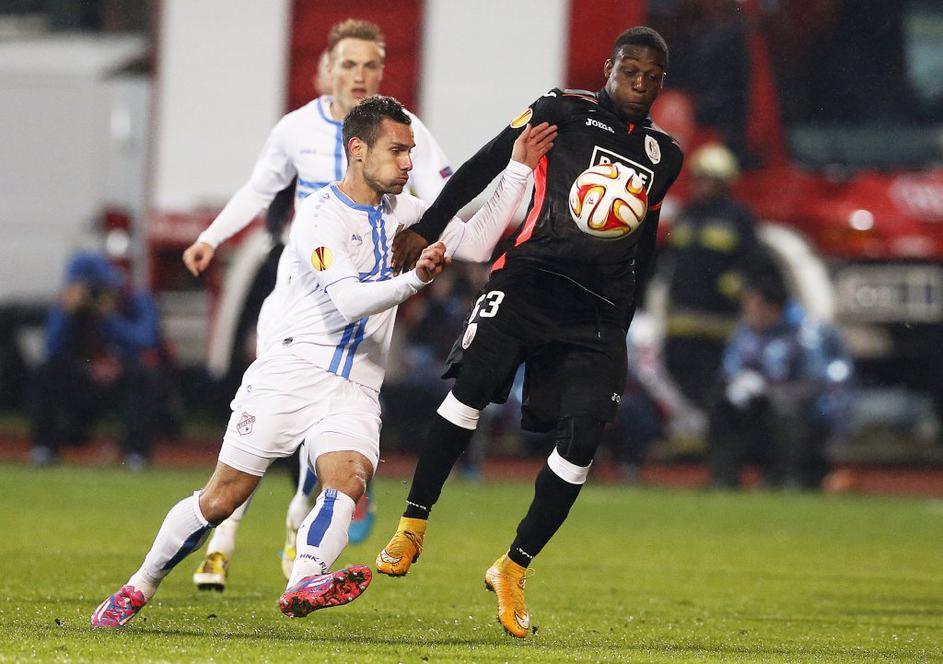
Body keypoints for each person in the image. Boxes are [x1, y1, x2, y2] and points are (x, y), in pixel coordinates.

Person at [90, 95, 557, 628]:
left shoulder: (407, 213)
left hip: (356, 384)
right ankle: (138, 586)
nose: (409, 163)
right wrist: (415, 279)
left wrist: (518, 168)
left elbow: (476, 244)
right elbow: (349, 301)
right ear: (358, 150)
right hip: (293, 371)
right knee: (222, 497)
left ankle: (305, 580)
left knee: (349, 479)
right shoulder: (318, 215)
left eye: (410, 151)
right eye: (397, 151)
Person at [375, 27, 683, 638]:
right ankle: (412, 524)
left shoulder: (664, 155)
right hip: (529, 280)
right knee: (468, 392)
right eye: (630, 72)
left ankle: (513, 567)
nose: (639, 85)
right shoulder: (561, 111)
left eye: (651, 78)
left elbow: (644, 238)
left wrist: (627, 312)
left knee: (583, 440)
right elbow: (485, 163)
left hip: (597, 310)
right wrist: (431, 225)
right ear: (609, 66)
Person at [182, 18, 453, 592]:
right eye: (349, 64)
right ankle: (223, 543)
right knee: (258, 428)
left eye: (371, 65)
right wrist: (211, 236)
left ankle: (298, 521)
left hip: (362, 306)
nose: (360, 75)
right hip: (298, 301)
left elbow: (442, 196)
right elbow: (259, 190)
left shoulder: (399, 133)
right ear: (327, 69)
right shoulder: (297, 129)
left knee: (329, 431)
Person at [708, 268, 854, 490]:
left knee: (784, 410)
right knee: (722, 405)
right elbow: (729, 370)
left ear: (770, 307)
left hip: (805, 417)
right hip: (759, 411)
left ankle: (787, 478)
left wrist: (770, 391)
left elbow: (816, 384)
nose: (746, 309)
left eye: (751, 303)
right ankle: (724, 478)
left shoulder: (804, 333)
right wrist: (737, 385)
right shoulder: (745, 332)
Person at [27, 251, 171, 470]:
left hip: (120, 377)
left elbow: (145, 340)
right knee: (45, 372)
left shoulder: (135, 300)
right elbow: (51, 348)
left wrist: (109, 317)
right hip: (82, 378)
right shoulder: (67, 307)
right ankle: (44, 448)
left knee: (144, 377)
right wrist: (67, 313)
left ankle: (136, 453)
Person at [659, 142, 766, 411]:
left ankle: (713, 426)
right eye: (699, 178)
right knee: (679, 374)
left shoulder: (738, 218)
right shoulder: (686, 215)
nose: (702, 184)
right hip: (682, 317)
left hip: (719, 319)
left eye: (709, 179)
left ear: (725, 183)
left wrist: (735, 285)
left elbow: (754, 263)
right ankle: (690, 424)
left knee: (714, 379)